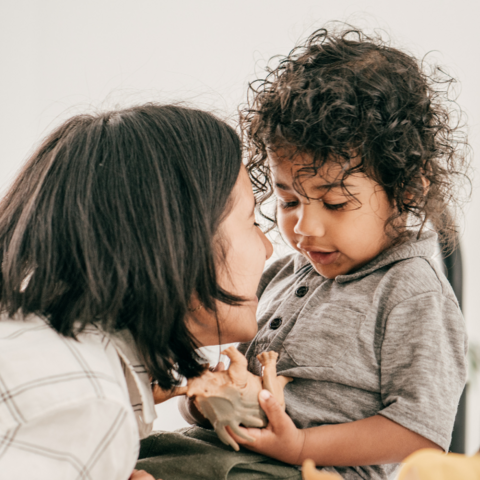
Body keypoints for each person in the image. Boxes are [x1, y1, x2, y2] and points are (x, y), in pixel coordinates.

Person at [228, 27, 469, 479]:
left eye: (335, 203)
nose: (304, 227)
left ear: (407, 189)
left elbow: (420, 430)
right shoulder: (282, 275)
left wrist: (300, 444)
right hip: (235, 455)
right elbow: (238, 376)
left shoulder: (412, 292)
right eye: (289, 201)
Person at [0, 104, 273, 480]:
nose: (269, 249)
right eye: (252, 221)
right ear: (177, 240)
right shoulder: (87, 401)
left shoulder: (40, 349)